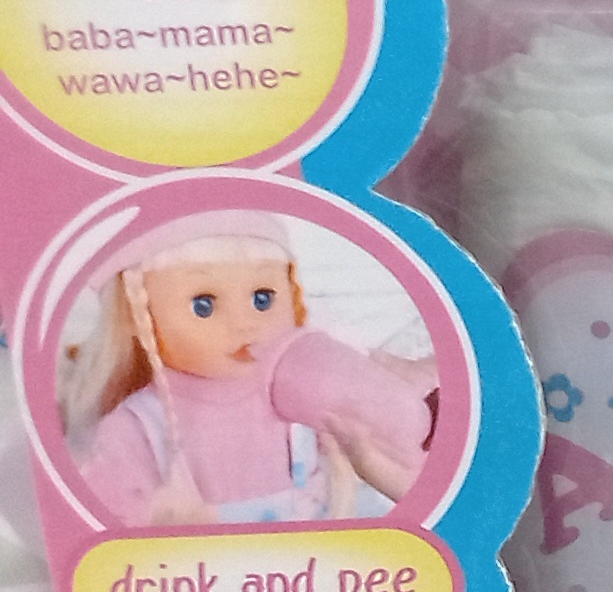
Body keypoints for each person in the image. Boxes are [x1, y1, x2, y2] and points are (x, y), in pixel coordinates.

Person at [61, 214, 432, 527]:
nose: (244, 324)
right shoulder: (139, 423)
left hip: (313, 567)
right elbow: (96, 521)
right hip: (204, 578)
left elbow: (364, 444)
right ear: (136, 317)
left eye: (262, 299)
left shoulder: (298, 387)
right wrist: (155, 517)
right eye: (204, 305)